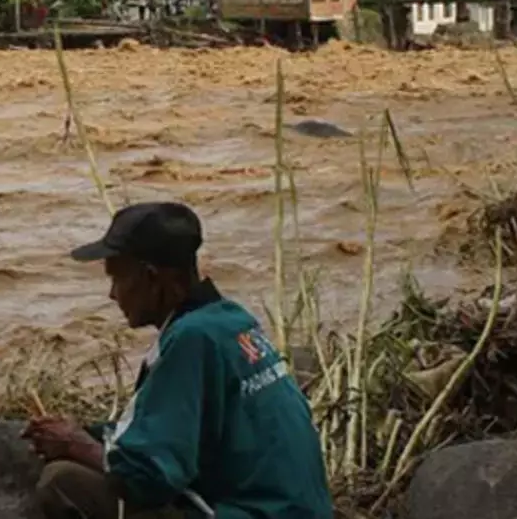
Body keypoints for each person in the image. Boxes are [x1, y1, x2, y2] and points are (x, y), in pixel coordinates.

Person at [23, 201, 332, 519]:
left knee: (63, 482)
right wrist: (89, 433)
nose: (112, 295)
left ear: (151, 277)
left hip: (253, 513)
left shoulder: (190, 340)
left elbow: (148, 478)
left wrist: (76, 445)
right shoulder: (231, 321)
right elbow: (174, 428)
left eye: (117, 278)